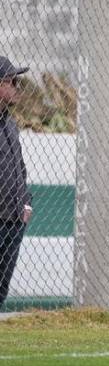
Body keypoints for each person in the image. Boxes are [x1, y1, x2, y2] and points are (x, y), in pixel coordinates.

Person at [0, 56, 32, 308]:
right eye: (12, 82)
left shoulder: (9, 124)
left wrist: (26, 205)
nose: (17, 88)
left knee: (1, 290)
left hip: (13, 220)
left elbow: (20, 169)